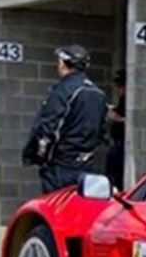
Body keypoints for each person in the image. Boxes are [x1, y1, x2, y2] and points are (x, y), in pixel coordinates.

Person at [23, 46, 108, 193]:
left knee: (55, 209)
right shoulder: (98, 93)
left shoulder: (62, 90)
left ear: (63, 63)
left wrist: (39, 156)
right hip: (86, 163)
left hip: (61, 164)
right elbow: (101, 131)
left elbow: (48, 129)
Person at [105, 69, 127, 190]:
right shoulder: (122, 100)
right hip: (117, 143)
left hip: (122, 145)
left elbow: (129, 121)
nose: (118, 90)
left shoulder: (128, 100)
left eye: (120, 86)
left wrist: (117, 118)